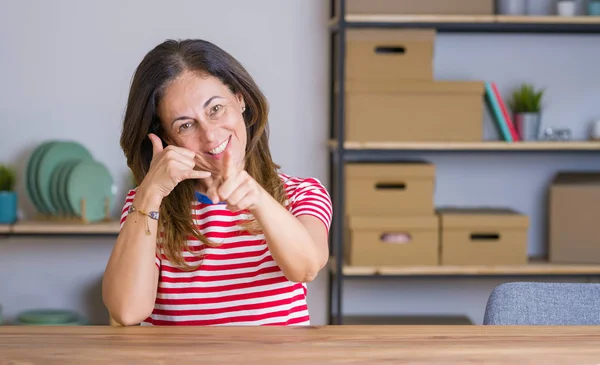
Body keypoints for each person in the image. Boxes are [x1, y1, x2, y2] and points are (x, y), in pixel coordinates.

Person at [102, 39, 332, 326]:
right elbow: (126, 311)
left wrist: (258, 200)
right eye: (185, 125)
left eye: (215, 109)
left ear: (240, 99)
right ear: (167, 138)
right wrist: (149, 194)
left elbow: (307, 268)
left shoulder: (301, 193)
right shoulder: (147, 206)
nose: (210, 136)